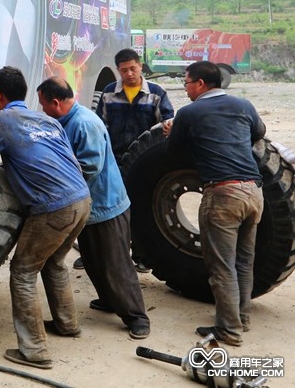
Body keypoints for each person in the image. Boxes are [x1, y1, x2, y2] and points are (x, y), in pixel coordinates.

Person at [0, 66, 90, 370]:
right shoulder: (48, 120)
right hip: (82, 199)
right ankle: (67, 324)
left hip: (54, 208)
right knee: (54, 262)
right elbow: (72, 162)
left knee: (23, 271)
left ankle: (35, 350)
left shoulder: (0, 120)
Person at [36, 77, 151, 340]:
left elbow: (89, 167)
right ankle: (110, 300)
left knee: (115, 263)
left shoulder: (85, 124)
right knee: (92, 260)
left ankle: (137, 317)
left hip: (105, 204)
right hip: (87, 204)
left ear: (56, 102)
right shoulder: (65, 121)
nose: (42, 110)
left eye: (43, 105)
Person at [165, 61, 265, 346]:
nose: (185, 89)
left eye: (186, 83)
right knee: (244, 261)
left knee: (222, 267)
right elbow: (258, 133)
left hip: (222, 194)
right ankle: (241, 319)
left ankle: (229, 330)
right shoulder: (244, 105)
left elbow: (172, 151)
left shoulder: (189, 112)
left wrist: (172, 131)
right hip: (254, 191)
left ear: (200, 84)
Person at [96, 47, 175, 272]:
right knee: (111, 207)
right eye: (124, 70)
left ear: (140, 66)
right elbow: (100, 125)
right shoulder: (109, 92)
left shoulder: (157, 93)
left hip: (145, 163)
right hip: (114, 160)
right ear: (118, 71)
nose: (129, 74)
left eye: (133, 68)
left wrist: (170, 126)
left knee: (141, 208)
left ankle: (142, 256)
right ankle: (109, 254)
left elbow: (167, 123)